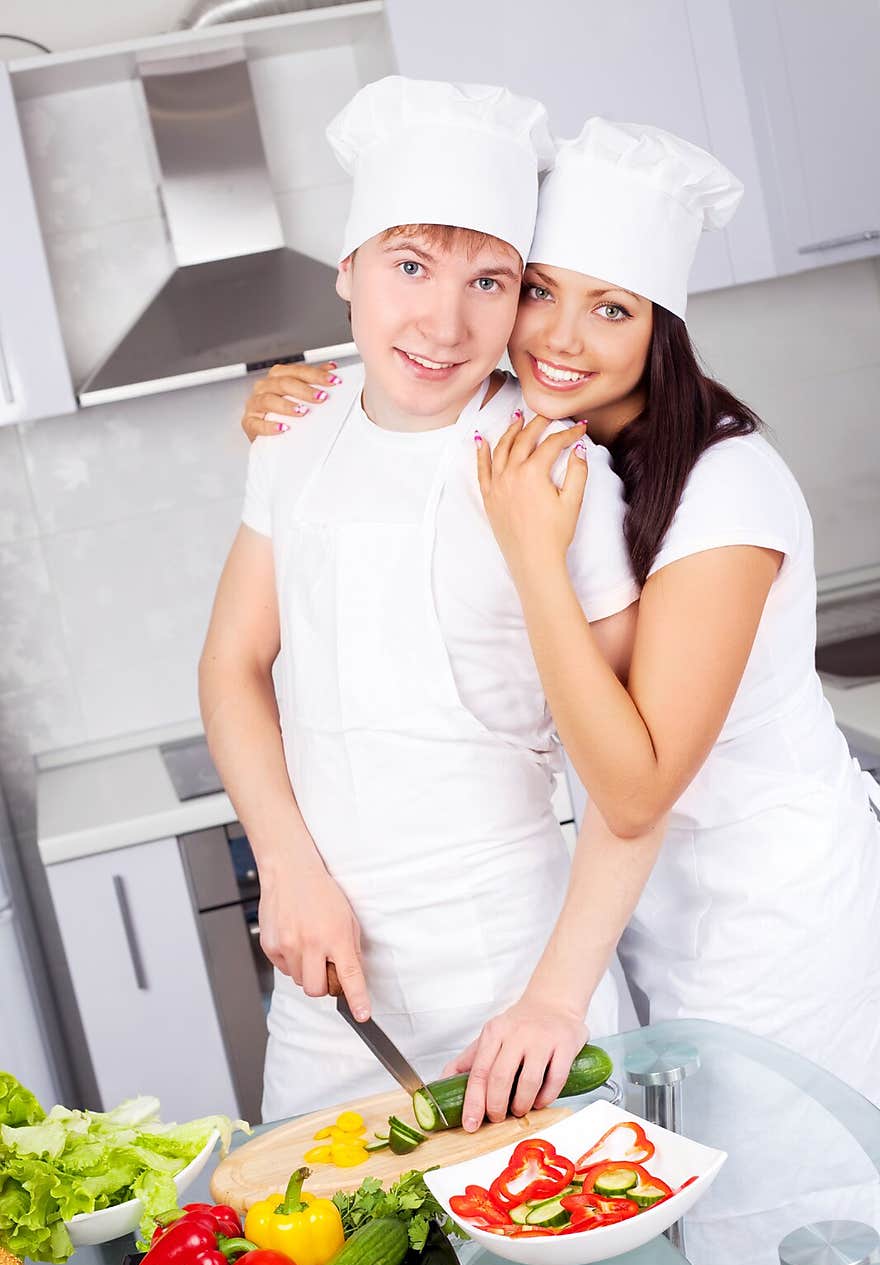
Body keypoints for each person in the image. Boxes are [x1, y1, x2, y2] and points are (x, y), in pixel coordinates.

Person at [241, 115, 880, 1116]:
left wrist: (534, 556)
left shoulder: (721, 492)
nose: (561, 337)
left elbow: (634, 786)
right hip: (645, 910)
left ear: (660, 326)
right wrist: (302, 403)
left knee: (796, 1225)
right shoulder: (557, 444)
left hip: (772, 914)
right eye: (539, 291)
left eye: (612, 308)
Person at [200, 80, 662, 1126]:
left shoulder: (553, 469)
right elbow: (232, 663)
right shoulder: (297, 429)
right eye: (409, 266)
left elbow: (633, 783)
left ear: (519, 301)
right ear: (348, 271)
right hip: (327, 981)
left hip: (512, 977)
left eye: (489, 282)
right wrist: (286, 867)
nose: (444, 323)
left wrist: (554, 996)